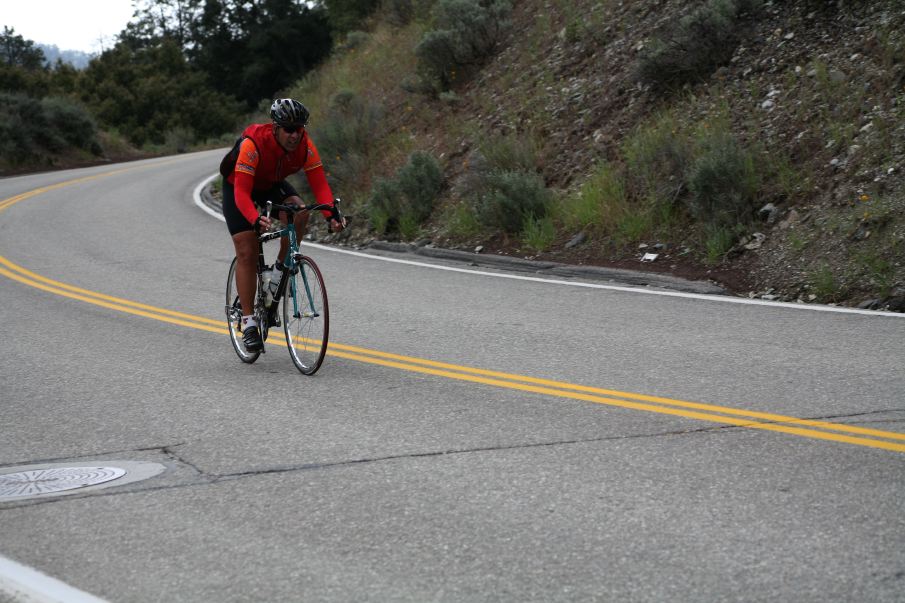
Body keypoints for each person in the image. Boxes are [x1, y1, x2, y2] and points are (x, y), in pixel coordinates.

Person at [221, 98, 345, 353]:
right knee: (247, 248)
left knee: (300, 212)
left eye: (299, 129)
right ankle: (249, 322)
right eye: (288, 129)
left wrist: (331, 215)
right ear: (275, 127)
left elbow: (320, 185)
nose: (294, 134)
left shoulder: (305, 146)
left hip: (269, 185)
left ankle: (280, 271)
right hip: (239, 187)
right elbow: (243, 194)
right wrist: (255, 219)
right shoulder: (253, 145)